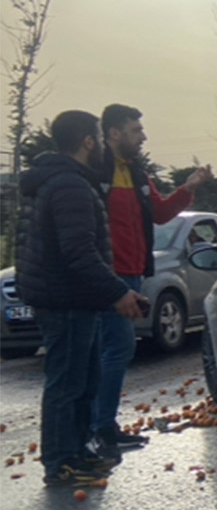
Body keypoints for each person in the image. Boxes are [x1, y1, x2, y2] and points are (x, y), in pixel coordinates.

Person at [15, 110, 147, 487]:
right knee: (67, 385)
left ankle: (77, 451)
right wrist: (117, 292)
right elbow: (79, 251)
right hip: (66, 300)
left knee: (83, 381)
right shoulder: (70, 185)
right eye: (100, 139)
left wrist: (114, 294)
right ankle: (61, 462)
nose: (104, 145)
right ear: (89, 141)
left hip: (74, 298)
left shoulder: (61, 180)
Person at [89, 104, 212, 457]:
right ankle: (100, 428)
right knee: (117, 347)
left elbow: (159, 214)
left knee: (108, 349)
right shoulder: (96, 173)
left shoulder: (138, 175)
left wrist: (187, 189)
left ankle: (97, 426)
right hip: (107, 276)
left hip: (131, 272)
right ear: (113, 133)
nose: (142, 136)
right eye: (135, 130)